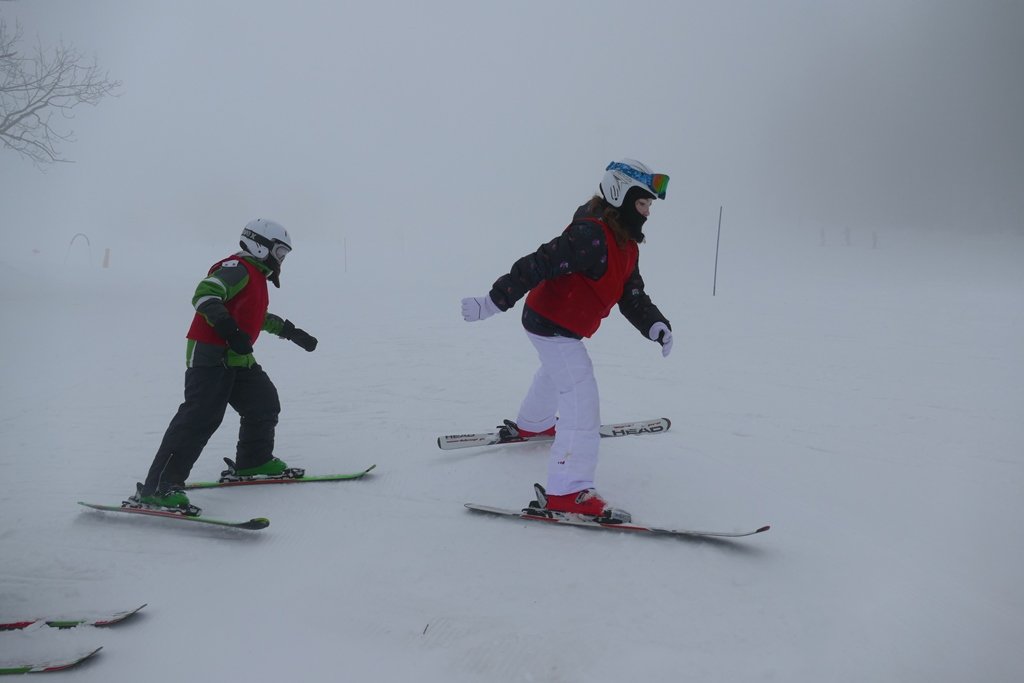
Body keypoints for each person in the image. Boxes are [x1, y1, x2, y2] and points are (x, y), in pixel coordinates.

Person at [461, 159, 673, 521]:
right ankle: (568, 489)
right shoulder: (591, 236)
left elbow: (631, 293)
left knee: (556, 372)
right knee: (580, 394)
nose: (648, 212)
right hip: (551, 322)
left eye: (649, 205)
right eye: (642, 203)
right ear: (621, 196)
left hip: (560, 323)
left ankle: (534, 422)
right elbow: (537, 263)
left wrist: (654, 323)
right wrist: (492, 302)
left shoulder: (626, 244)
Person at [132, 218, 318, 513]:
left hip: (238, 358)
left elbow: (255, 316)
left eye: (284, 255)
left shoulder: (256, 276)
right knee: (200, 418)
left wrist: (291, 332)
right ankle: (158, 488)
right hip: (209, 356)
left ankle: (254, 461)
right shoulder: (237, 269)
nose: (281, 260)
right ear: (260, 246)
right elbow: (204, 294)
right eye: (279, 252)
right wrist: (230, 330)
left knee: (263, 403)